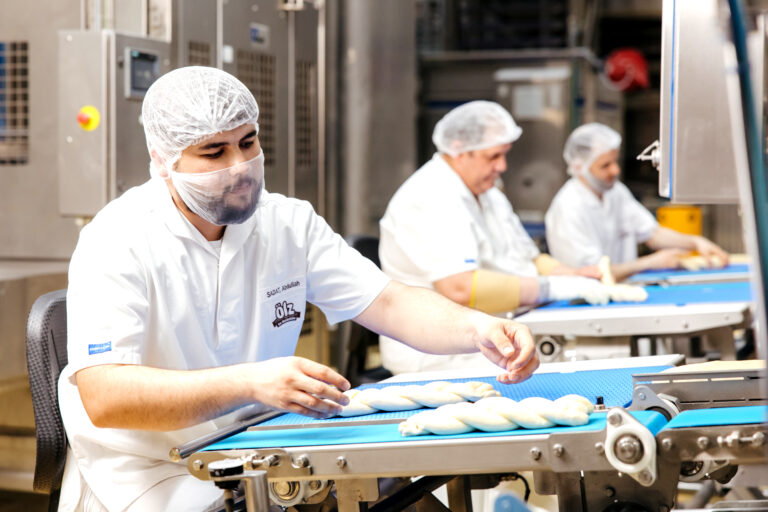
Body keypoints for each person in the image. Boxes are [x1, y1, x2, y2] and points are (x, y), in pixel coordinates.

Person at [57, 68, 539, 512]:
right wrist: (250, 383)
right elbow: (107, 396)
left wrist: (479, 327)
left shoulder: (286, 223)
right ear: (164, 161)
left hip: (263, 449)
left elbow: (389, 302)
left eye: (248, 142)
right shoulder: (118, 240)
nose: (241, 166)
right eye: (214, 152)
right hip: (153, 476)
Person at [378, 101, 618, 375]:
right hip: (440, 354)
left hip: (493, 335)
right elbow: (460, 288)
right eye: (493, 157)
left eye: (504, 155)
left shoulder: (489, 194)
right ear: (459, 151)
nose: (502, 166)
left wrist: (575, 275)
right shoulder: (428, 196)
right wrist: (553, 287)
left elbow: (529, 257)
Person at [545, 123, 729, 281]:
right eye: (605, 165)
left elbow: (652, 234)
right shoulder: (568, 208)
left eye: (615, 162)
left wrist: (696, 242)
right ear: (579, 167)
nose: (615, 170)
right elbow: (592, 274)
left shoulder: (615, 192)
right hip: (583, 302)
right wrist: (652, 262)